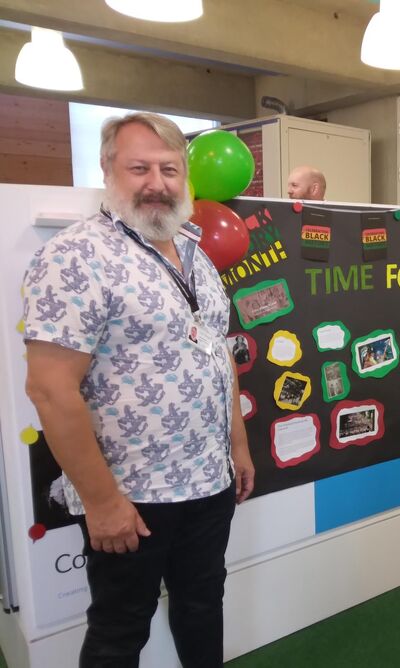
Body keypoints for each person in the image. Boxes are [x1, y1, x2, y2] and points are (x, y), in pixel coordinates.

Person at [22, 112, 255, 666]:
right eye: (139, 167)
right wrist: (103, 504)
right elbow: (51, 390)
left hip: (208, 479)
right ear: (108, 170)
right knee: (120, 631)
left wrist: (237, 447)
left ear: (186, 178)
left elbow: (218, 352)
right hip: (132, 495)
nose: (157, 182)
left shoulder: (196, 253)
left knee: (202, 606)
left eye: (169, 168)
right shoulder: (74, 257)